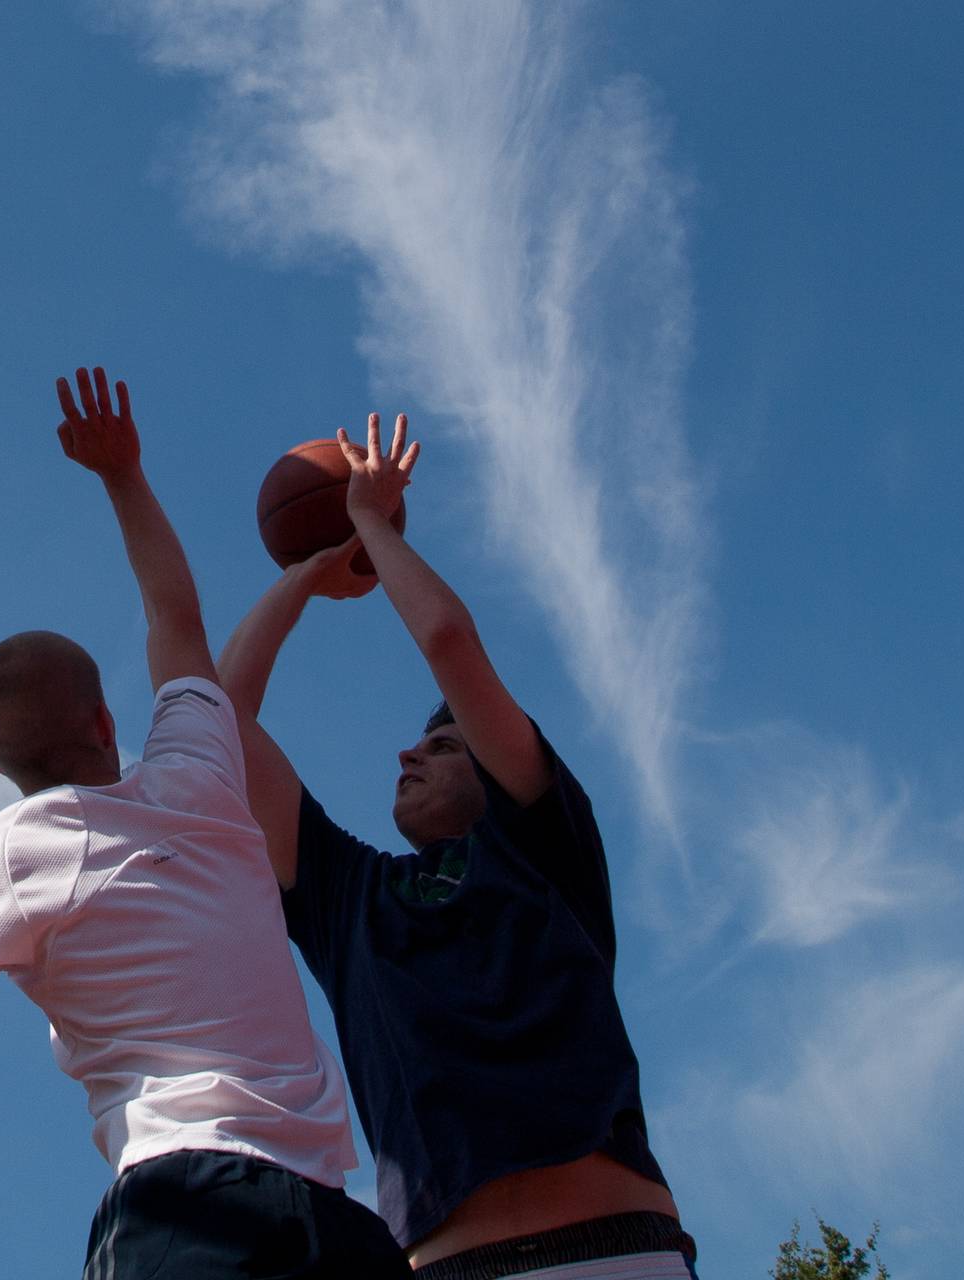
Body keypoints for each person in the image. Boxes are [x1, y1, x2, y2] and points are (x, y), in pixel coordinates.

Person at [0, 369, 405, 1280]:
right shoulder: (199, 776)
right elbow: (175, 616)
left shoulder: (9, 856)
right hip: (340, 1228)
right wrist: (122, 473)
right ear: (106, 721)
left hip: (186, 1214)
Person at [219, 414, 694, 1279]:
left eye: (444, 746)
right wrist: (305, 574)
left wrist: (368, 520)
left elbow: (448, 642)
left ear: (497, 765)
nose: (409, 753)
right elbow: (213, 729)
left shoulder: (544, 851)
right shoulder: (346, 898)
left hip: (615, 1252)